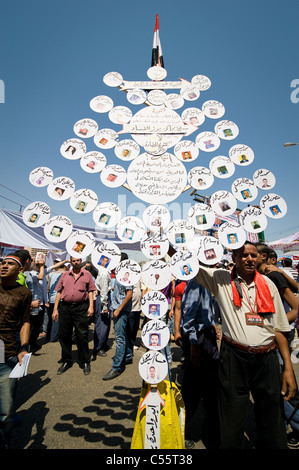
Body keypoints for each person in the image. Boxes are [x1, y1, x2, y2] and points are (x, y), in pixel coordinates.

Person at [194, 241, 296, 449]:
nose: (249, 259)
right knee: (231, 415)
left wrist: (287, 368)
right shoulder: (221, 279)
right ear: (234, 259)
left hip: (267, 357)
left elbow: (278, 329)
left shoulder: (268, 284)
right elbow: (188, 266)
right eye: (244, 255)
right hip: (234, 357)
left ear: (259, 258)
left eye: (253, 255)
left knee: (272, 418)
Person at [174, 278, 220, 449]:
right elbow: (188, 316)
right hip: (199, 339)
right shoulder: (196, 282)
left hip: (205, 335)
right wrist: (193, 343)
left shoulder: (206, 281)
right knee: (192, 388)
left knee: (210, 386)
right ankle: (179, 431)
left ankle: (210, 431)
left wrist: (212, 324)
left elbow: (205, 310)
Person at [0, 254, 32, 449]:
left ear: (19, 270)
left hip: (7, 355)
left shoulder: (24, 293)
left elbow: (25, 321)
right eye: (2, 263)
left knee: (5, 411)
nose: (4, 266)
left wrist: (24, 347)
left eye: (10, 264)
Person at [52, 257, 97, 376]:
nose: (76, 263)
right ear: (70, 262)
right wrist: (55, 309)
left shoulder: (87, 274)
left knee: (82, 335)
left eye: (78, 260)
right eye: (73, 261)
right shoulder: (65, 275)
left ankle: (85, 361)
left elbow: (91, 291)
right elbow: (58, 292)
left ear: (80, 261)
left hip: (81, 307)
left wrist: (91, 306)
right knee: (64, 334)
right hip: (65, 308)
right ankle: (67, 361)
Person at [102, 253, 133, 380]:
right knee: (123, 335)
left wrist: (119, 309)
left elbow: (129, 293)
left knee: (119, 338)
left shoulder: (127, 274)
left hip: (121, 310)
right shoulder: (120, 274)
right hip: (117, 309)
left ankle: (117, 367)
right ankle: (128, 356)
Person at [92, 257, 112, 360]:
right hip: (104, 299)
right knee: (102, 324)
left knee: (106, 324)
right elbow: (104, 291)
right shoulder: (104, 273)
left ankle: (103, 343)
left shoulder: (104, 272)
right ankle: (98, 347)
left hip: (104, 298)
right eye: (104, 260)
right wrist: (104, 306)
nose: (105, 262)